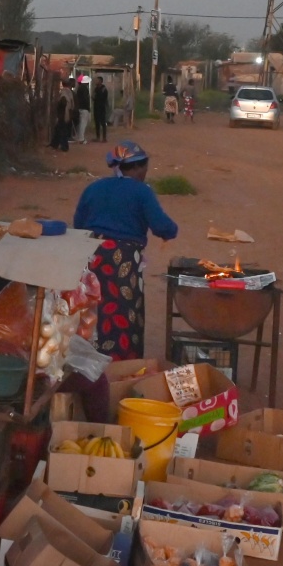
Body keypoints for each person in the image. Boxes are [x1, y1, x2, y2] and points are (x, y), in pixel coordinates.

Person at [72, 139, 179, 360]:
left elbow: (78, 224)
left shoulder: (93, 188)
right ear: (138, 167)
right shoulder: (142, 192)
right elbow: (162, 226)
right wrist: (171, 231)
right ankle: (120, 365)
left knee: (92, 309)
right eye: (144, 169)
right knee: (123, 312)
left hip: (90, 255)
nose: (144, 173)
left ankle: (86, 363)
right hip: (123, 260)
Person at [74, 75, 93, 144]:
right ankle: (81, 138)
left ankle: (80, 137)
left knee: (81, 123)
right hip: (84, 108)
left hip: (80, 107)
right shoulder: (84, 88)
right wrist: (88, 107)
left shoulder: (80, 88)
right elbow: (85, 99)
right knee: (83, 123)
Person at [92, 77, 111, 142]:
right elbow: (93, 97)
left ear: (100, 81)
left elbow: (103, 99)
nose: (96, 81)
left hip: (102, 108)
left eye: (97, 80)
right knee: (97, 122)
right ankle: (98, 137)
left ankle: (104, 138)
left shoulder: (103, 89)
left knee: (103, 123)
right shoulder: (96, 89)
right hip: (96, 107)